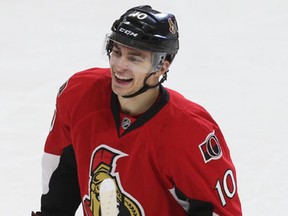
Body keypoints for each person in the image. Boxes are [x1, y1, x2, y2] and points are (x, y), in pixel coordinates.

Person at [32, 5, 242, 216]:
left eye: (134, 58)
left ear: (162, 66)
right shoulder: (79, 96)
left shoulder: (191, 132)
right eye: (116, 52)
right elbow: (61, 176)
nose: (120, 66)